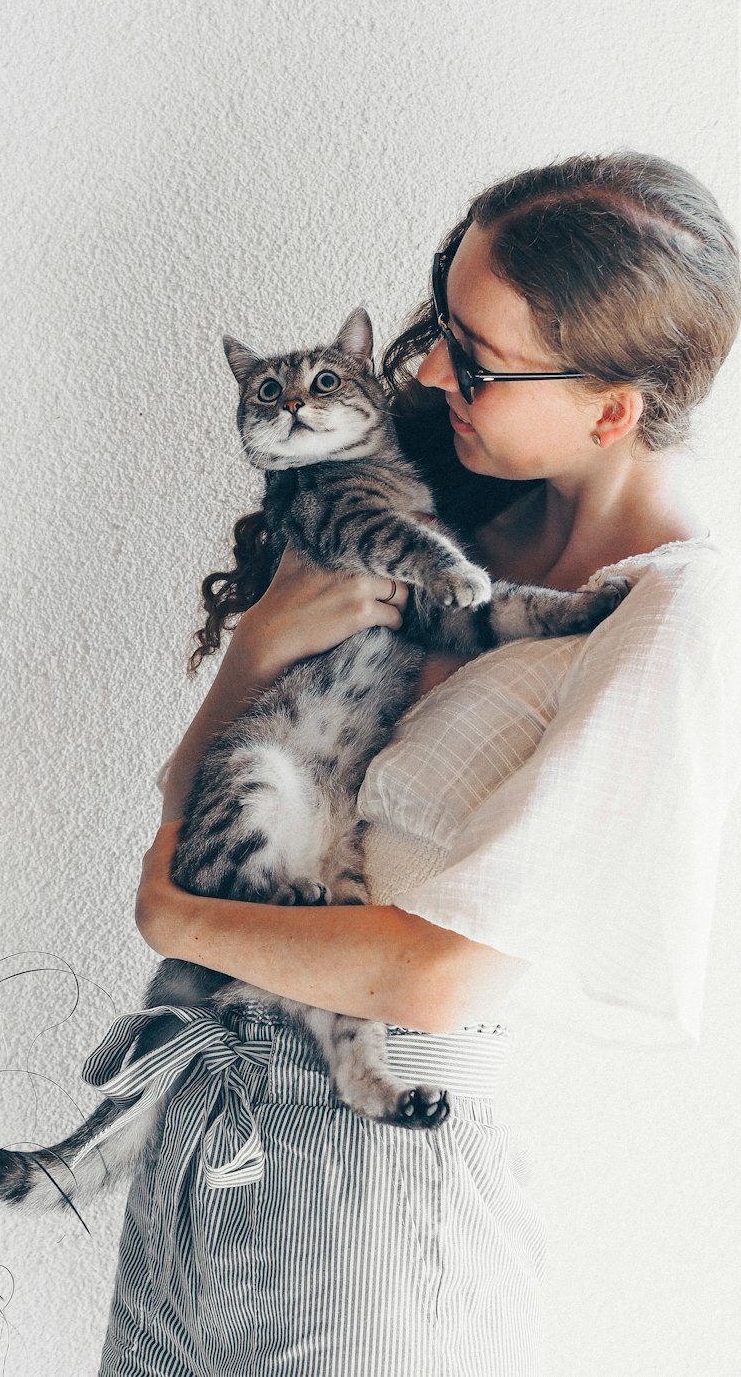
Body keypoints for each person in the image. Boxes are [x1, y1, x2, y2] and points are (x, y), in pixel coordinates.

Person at [98, 153, 741, 1376]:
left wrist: (172, 910)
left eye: (477, 359)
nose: (429, 371)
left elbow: (436, 977)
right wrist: (252, 654)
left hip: (370, 1158)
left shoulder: (676, 618)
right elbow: (195, 800)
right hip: (201, 1120)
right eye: (441, 325)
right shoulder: (447, 511)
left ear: (613, 407)